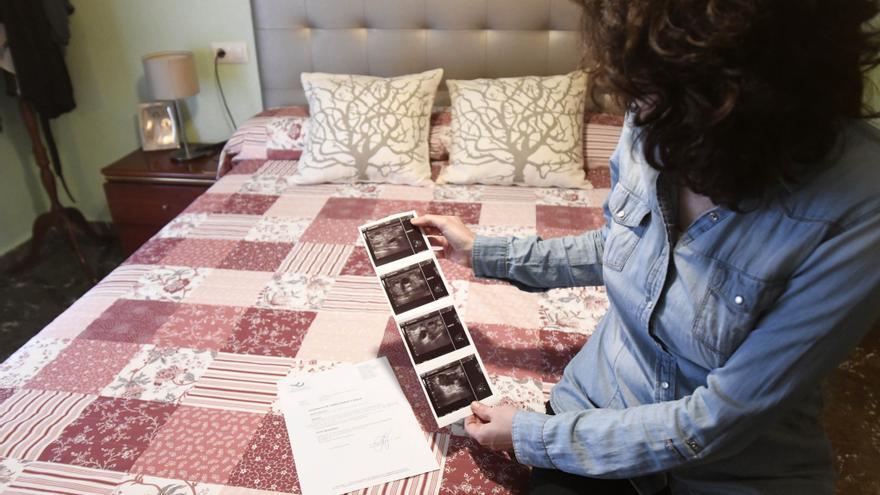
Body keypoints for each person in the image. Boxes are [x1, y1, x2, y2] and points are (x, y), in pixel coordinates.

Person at [411, 1, 880, 493]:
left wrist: (533, 434)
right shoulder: (654, 108)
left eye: (662, 96)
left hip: (734, 473)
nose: (637, 113)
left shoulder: (858, 206)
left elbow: (720, 419)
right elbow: (622, 247)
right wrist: (483, 251)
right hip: (597, 405)